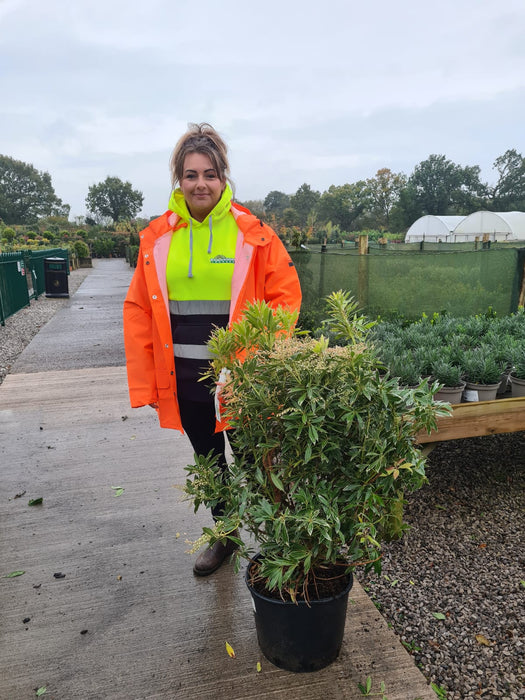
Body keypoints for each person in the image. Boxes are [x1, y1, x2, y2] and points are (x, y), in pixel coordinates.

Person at [123, 123, 301, 576]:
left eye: (209, 173)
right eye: (190, 174)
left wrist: (257, 360)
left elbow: (285, 297)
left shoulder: (251, 234)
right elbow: (140, 311)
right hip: (184, 380)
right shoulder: (158, 239)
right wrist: (148, 383)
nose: (200, 183)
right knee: (209, 462)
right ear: (178, 181)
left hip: (240, 381)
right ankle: (224, 538)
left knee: (256, 461)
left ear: (223, 178)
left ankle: (275, 542)